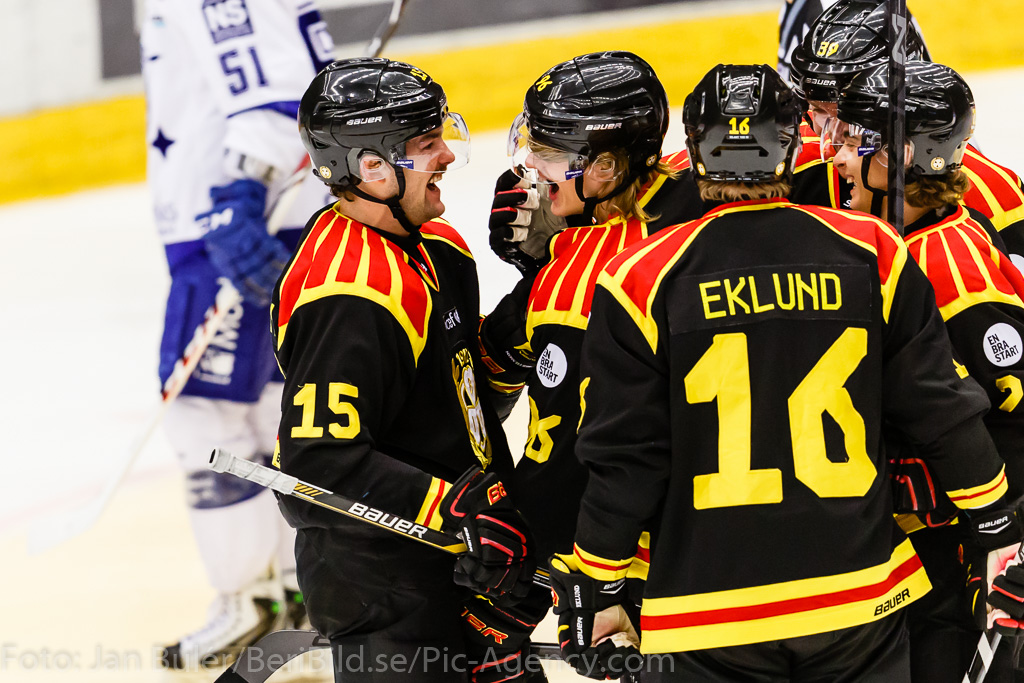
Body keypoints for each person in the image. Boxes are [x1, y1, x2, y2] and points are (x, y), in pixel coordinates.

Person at [546, 63, 1024, 682]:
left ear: (692, 155)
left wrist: (600, 580)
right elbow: (940, 410)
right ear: (793, 148)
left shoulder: (637, 277)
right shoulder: (874, 250)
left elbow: (628, 459)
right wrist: (995, 527)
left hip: (707, 613)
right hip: (858, 597)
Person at [274, 58, 536, 683]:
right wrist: (456, 510)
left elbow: (460, 397)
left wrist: (541, 284)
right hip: (386, 590)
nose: (445, 154)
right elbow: (316, 464)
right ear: (371, 168)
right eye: (425, 144)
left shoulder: (438, 246)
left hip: (463, 569)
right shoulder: (348, 294)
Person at [140, 0, 335, 669]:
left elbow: (275, 103)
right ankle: (299, 598)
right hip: (272, 216)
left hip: (234, 227)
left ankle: (250, 601)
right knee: (270, 415)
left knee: (204, 414)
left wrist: (238, 203)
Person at [830, 59, 1024, 682]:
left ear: (902, 157)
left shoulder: (948, 267)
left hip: (967, 544)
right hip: (924, 539)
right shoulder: (895, 242)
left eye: (852, 142)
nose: (836, 159)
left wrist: (1006, 541)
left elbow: (1017, 412)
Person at [789, 0, 1024, 249]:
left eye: (844, 112)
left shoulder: (992, 191)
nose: (829, 134)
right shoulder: (791, 160)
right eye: (815, 109)